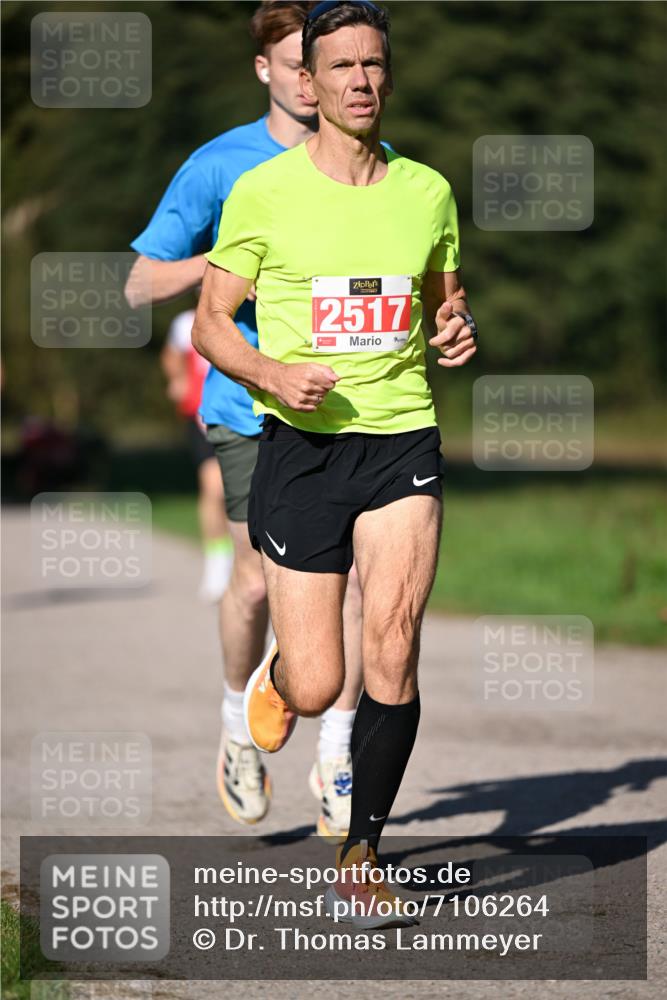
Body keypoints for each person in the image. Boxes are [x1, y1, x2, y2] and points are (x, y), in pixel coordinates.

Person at [193, 0, 477, 927]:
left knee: (392, 640)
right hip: (302, 449)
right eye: (341, 66)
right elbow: (210, 325)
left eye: (373, 64)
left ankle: (362, 851)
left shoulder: (426, 191)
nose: (360, 81)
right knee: (319, 685)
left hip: (401, 438)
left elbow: (442, 304)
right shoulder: (263, 193)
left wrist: (454, 329)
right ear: (307, 84)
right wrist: (272, 373)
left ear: (388, 76)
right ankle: (280, 680)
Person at [126, 1, 363, 839]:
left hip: (344, 405)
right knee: (258, 581)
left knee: (349, 583)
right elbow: (140, 283)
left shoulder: (366, 159)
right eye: (295, 64)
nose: (310, 79)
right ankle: (237, 726)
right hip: (244, 407)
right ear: (264, 69)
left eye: (320, 63)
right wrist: (227, 266)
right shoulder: (220, 164)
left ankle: (337, 756)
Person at [161, 307, 233, 603]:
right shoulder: (185, 322)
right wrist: (178, 379)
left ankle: (248, 560)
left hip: (243, 412)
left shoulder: (252, 312)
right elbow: (171, 354)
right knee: (214, 488)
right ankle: (218, 562)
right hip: (202, 414)